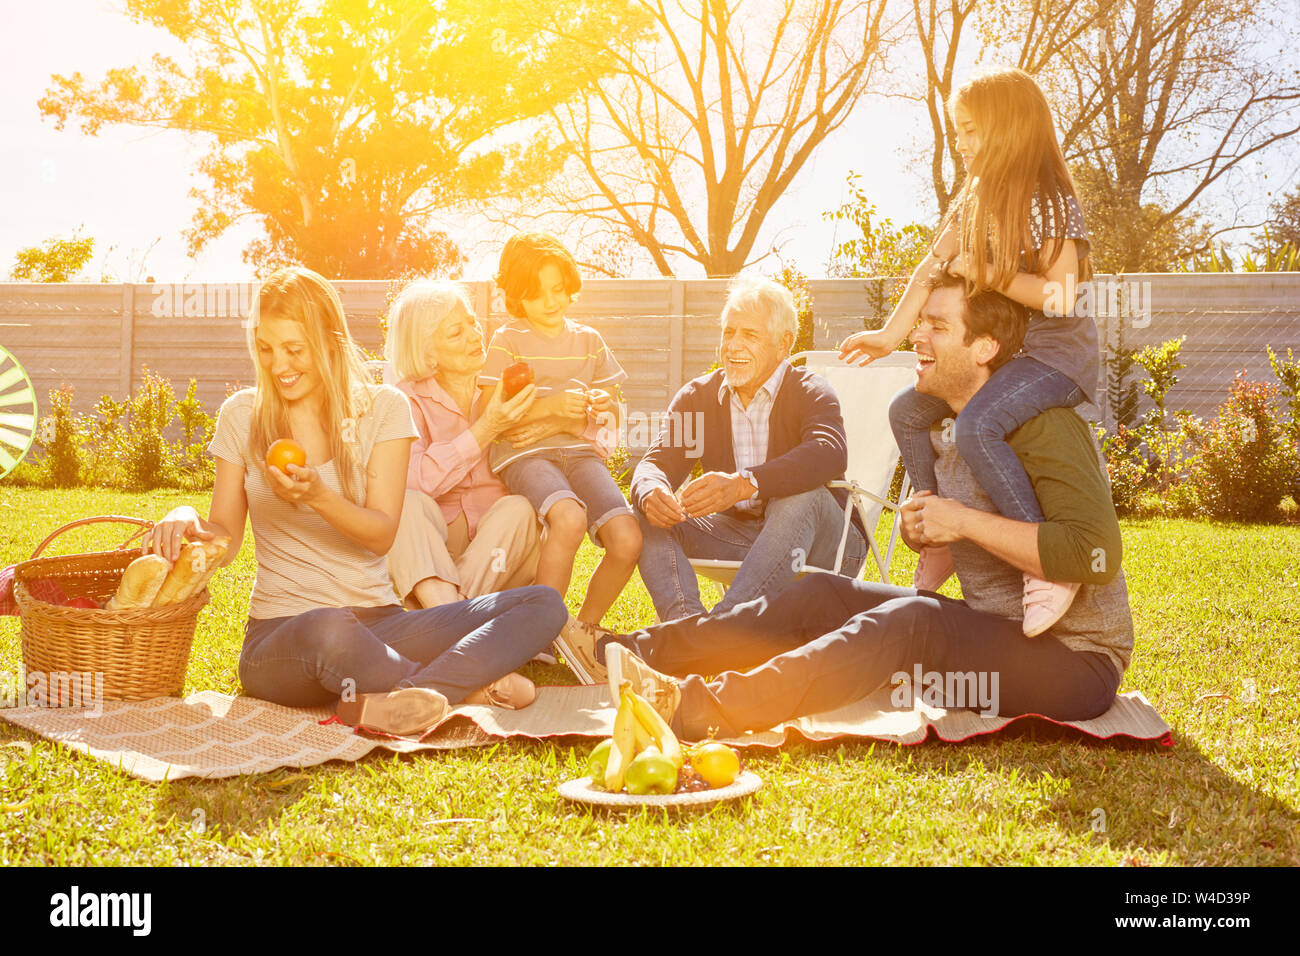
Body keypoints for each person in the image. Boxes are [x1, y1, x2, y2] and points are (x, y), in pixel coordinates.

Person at [586, 273, 1133, 740]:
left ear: (985, 347)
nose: (917, 334)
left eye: (937, 326)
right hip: (996, 627)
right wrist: (933, 536)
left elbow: (1093, 554)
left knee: (914, 620)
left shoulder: (1047, 425)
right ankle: (629, 651)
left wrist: (961, 521)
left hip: (1074, 660)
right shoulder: (937, 424)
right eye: (922, 321)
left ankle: (703, 707)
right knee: (820, 594)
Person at [149, 267, 566, 737]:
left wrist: (319, 497)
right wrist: (184, 516)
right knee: (330, 628)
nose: (278, 365)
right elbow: (224, 537)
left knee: (544, 604)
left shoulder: (385, 408)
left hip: (380, 624)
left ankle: (407, 696)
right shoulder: (242, 415)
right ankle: (461, 690)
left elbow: (381, 533)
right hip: (284, 636)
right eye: (266, 349)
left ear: (329, 341)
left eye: (294, 349)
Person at [839, 66, 1095, 637]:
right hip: (1002, 354)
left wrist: (986, 272)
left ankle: (1046, 567)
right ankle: (937, 533)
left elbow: (1059, 296)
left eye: (972, 131)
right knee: (905, 410)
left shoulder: (1049, 202)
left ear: (1010, 131)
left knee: (978, 424)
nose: (961, 143)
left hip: (1054, 359)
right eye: (958, 132)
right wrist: (887, 335)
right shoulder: (974, 199)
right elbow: (930, 270)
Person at [630, 274, 867, 625]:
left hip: (827, 544)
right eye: (729, 332)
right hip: (744, 539)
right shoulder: (699, 399)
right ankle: (684, 624)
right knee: (641, 510)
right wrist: (651, 490)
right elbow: (657, 462)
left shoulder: (809, 391)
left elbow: (828, 451)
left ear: (783, 344)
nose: (733, 346)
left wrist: (745, 483)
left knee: (801, 496)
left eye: (750, 335)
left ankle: (716, 632)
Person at [479, 232, 641, 683]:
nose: (550, 301)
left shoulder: (588, 340)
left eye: (557, 288)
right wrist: (549, 410)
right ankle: (538, 634)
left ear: (571, 284)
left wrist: (602, 406)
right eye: (535, 293)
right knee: (567, 518)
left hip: (580, 453)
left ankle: (579, 632)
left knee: (627, 538)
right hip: (525, 455)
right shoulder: (508, 338)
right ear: (516, 296)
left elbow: (611, 401)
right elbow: (486, 414)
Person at [382, 279, 543, 609]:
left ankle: (440, 616)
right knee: (407, 504)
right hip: (430, 551)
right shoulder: (403, 401)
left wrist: (590, 409)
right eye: (455, 332)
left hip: (499, 552)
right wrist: (487, 427)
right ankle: (460, 620)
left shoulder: (505, 389)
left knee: (519, 509)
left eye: (471, 321)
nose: (474, 335)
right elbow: (418, 482)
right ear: (427, 353)